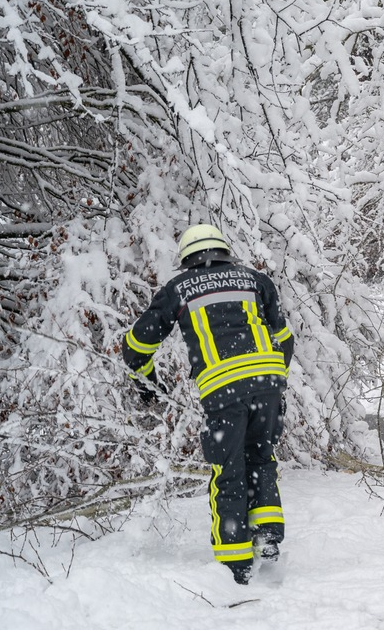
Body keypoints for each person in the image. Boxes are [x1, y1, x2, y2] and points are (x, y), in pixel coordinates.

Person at [121, 224, 293, 584]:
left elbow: (135, 347)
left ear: (186, 258)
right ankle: (268, 538)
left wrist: (151, 384)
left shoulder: (177, 289)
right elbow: (285, 338)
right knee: (260, 456)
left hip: (224, 390)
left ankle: (235, 566)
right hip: (268, 383)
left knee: (227, 470)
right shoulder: (255, 280)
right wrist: (276, 386)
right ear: (224, 250)